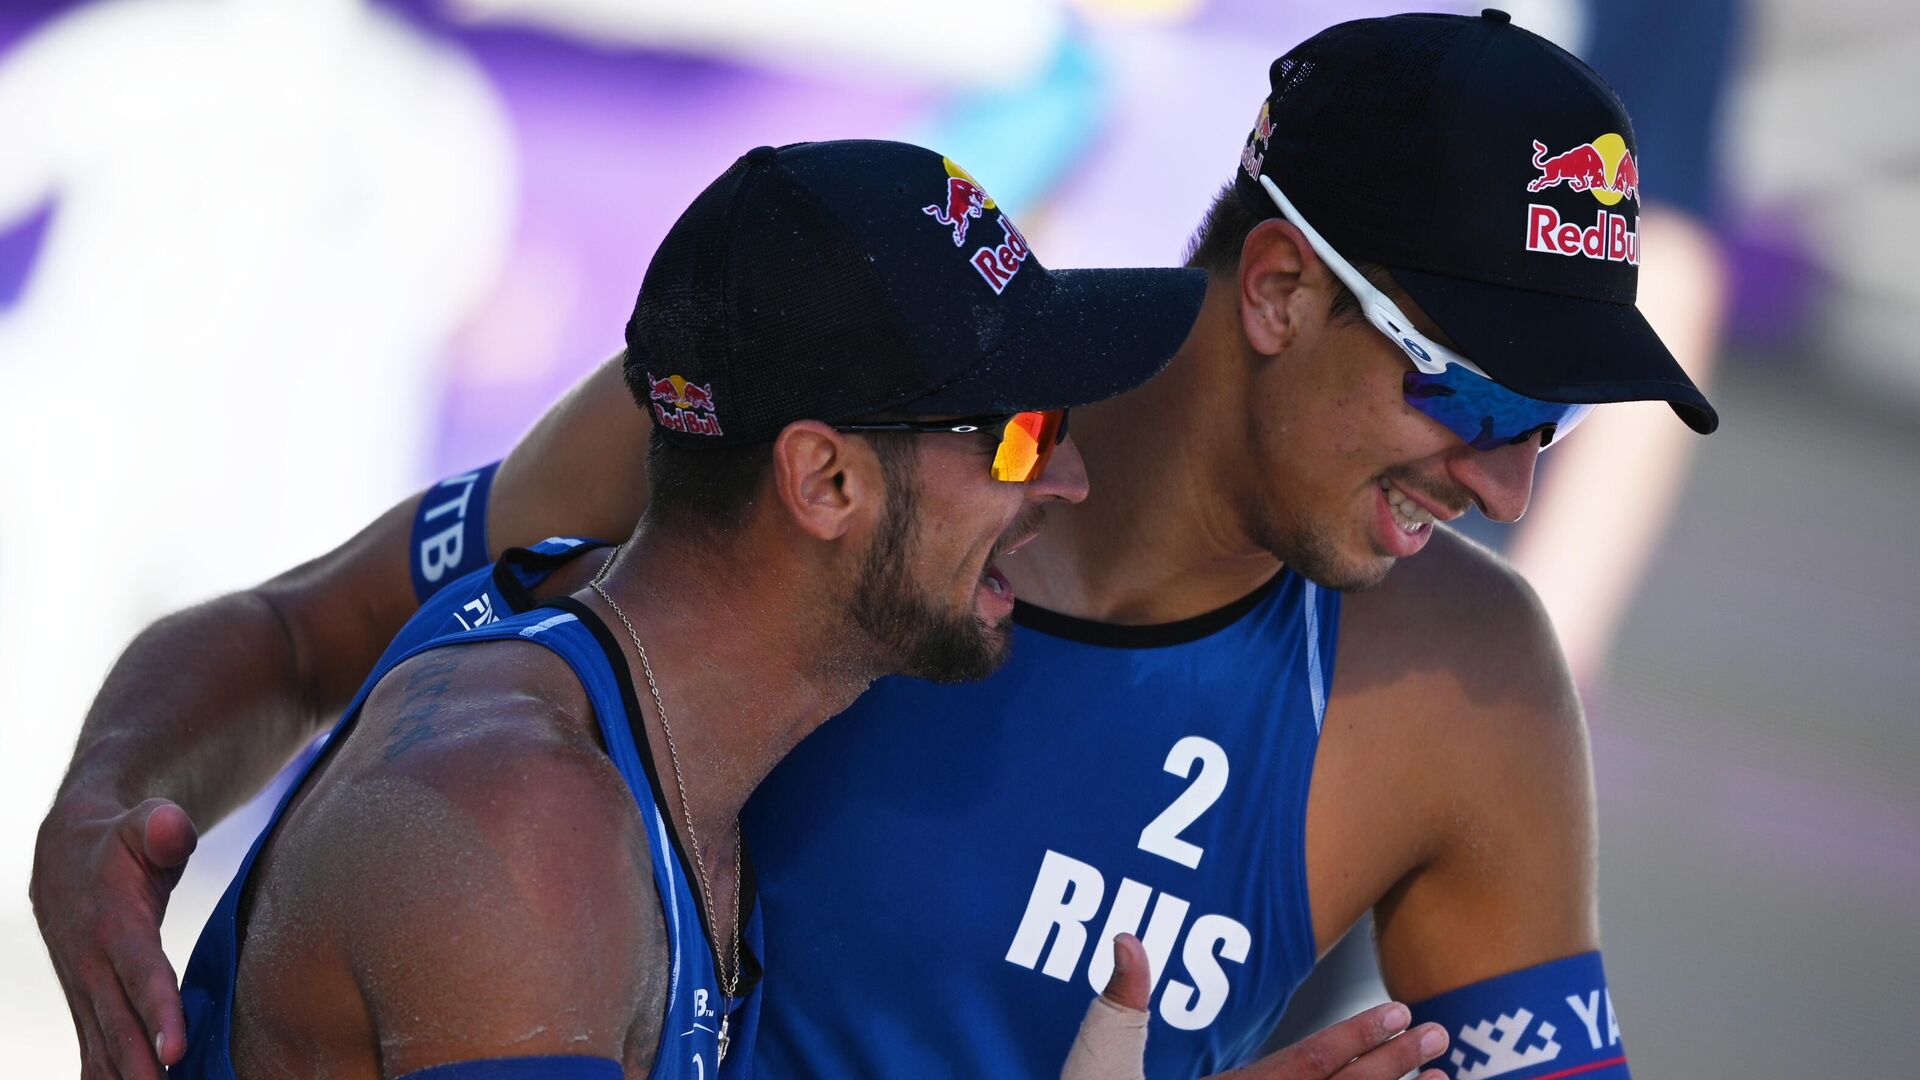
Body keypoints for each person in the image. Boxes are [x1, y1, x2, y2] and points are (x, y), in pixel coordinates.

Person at [33, 12, 1714, 1080]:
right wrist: (108, 801)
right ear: (1278, 292)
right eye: (1476, 400)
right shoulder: (795, 406)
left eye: (1550, 425)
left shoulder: (1465, 689)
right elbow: (293, 635)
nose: (1508, 487)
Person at [155, 137, 1216, 1079]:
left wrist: (106, 793)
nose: (1068, 481)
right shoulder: (528, 836)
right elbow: (293, 635)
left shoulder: (618, 691)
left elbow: (285, 630)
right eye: (1025, 431)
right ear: (825, 482)